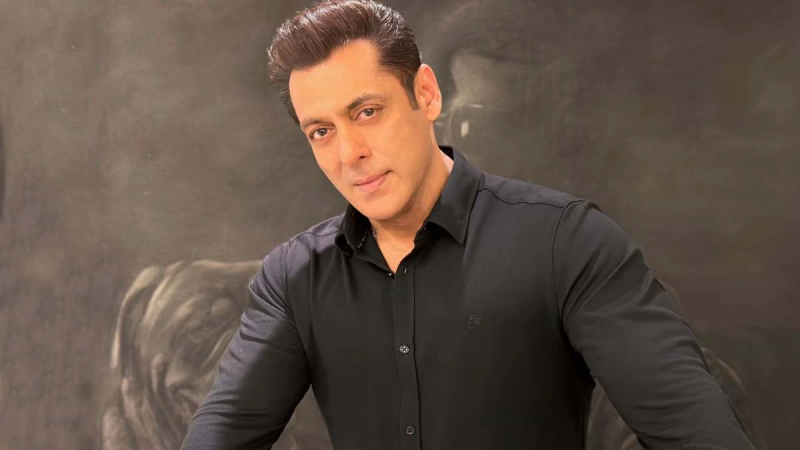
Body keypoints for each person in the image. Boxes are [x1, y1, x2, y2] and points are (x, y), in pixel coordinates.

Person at [181, 1, 756, 449]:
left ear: (426, 94)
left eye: (367, 112)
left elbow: (698, 436)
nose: (349, 152)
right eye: (321, 131)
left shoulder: (567, 243)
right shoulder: (294, 277)